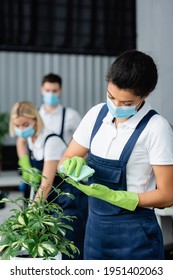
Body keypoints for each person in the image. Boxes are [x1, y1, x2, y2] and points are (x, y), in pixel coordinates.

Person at [58, 50, 173, 260]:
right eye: (111, 97)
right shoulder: (96, 115)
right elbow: (64, 160)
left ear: (145, 95)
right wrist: (69, 165)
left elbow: (167, 195)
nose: (116, 106)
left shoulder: (157, 128)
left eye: (127, 103)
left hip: (136, 236)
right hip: (94, 231)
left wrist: (120, 197)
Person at [9, 101, 88, 260]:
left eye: (26, 124)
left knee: (67, 247)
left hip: (68, 200)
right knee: (50, 247)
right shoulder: (31, 138)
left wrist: (30, 214)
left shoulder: (50, 141)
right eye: (18, 125)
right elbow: (21, 142)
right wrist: (24, 163)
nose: (22, 129)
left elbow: (46, 186)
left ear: (36, 120)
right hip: (51, 201)